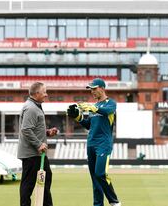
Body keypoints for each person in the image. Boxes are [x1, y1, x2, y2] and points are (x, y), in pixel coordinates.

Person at [67, 78, 121, 206]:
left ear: (102, 88)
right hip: (91, 144)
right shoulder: (94, 106)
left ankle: (114, 202)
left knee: (100, 173)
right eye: (91, 89)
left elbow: (108, 111)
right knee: (95, 179)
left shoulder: (110, 103)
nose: (92, 91)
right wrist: (78, 117)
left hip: (103, 144)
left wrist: (91, 107)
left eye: (94, 88)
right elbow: (89, 125)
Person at [17, 82, 59, 206]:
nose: (46, 95)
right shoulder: (31, 108)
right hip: (32, 154)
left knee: (45, 181)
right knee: (28, 185)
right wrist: (38, 144)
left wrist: (47, 132)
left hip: (38, 154)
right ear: (36, 94)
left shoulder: (34, 106)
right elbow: (26, 129)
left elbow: (33, 128)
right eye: (44, 92)